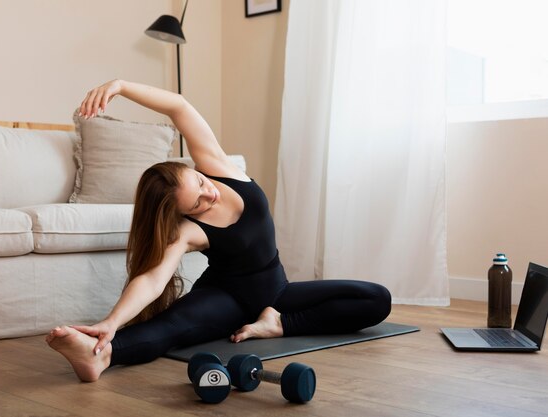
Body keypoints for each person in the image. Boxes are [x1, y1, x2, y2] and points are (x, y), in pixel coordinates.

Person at [46, 79, 392, 382]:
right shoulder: (185, 231)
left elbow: (179, 107)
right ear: (182, 214)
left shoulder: (218, 168)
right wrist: (110, 322)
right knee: (173, 327)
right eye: (198, 203)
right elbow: (152, 279)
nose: (209, 193)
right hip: (225, 298)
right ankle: (100, 356)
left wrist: (120, 85)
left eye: (199, 182)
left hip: (277, 293)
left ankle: (277, 325)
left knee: (376, 298)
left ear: (195, 170)